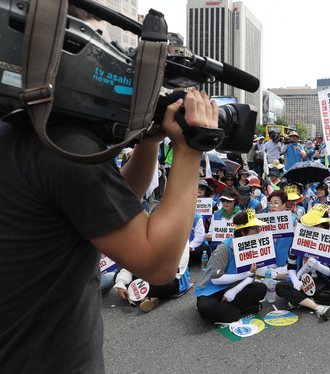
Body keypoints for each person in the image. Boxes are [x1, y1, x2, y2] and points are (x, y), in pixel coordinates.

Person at [0, 53, 217, 374]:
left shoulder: (19, 130)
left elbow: (109, 210)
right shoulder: (64, 146)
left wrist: (149, 141)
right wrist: (190, 149)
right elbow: (158, 266)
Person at [195, 210, 268, 323]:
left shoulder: (252, 244)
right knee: (205, 308)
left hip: (234, 286)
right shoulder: (224, 248)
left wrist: (234, 291)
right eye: (255, 228)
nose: (259, 231)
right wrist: (245, 274)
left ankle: (229, 310)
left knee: (261, 289)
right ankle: (241, 310)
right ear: (243, 232)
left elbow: (251, 276)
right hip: (213, 290)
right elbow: (216, 279)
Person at [275, 204, 330, 321]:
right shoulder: (299, 239)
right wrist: (296, 283)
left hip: (322, 282)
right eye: (311, 226)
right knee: (280, 287)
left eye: (318, 226)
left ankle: (300, 301)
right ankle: (317, 307)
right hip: (302, 280)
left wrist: (318, 266)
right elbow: (291, 265)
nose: (314, 230)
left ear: (325, 226)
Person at [114, 240, 191, 313]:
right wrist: (121, 282)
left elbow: (177, 271)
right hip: (145, 273)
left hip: (169, 277)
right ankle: (145, 297)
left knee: (165, 284)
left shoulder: (179, 234)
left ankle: (139, 296)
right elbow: (131, 263)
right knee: (119, 274)